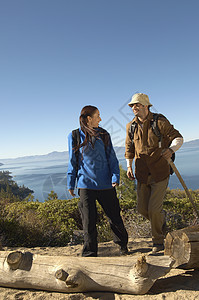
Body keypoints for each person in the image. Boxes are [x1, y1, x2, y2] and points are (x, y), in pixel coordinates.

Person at [125, 93, 183, 253]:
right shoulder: (131, 126)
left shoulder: (160, 122)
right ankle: (161, 220)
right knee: (142, 210)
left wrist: (171, 149)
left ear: (145, 106)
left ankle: (158, 242)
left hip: (160, 172)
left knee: (153, 210)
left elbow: (178, 138)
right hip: (142, 174)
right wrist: (129, 166)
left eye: (136, 105)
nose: (133, 108)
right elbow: (129, 148)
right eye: (132, 106)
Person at [67, 105, 128, 257]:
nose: (100, 119)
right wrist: (71, 182)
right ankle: (90, 253)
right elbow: (72, 161)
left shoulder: (104, 134)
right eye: (98, 116)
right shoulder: (74, 136)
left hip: (106, 183)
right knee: (88, 221)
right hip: (85, 185)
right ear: (89, 119)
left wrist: (115, 176)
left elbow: (112, 157)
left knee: (114, 216)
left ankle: (122, 246)